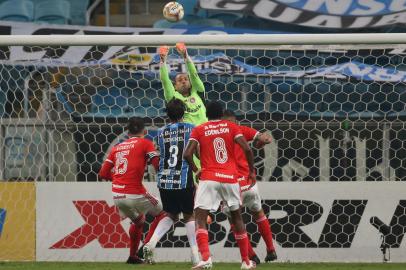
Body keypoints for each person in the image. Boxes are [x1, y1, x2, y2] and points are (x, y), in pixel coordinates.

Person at [183, 101, 257, 270]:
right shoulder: (231, 127)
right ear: (222, 114)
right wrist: (251, 172)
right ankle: (246, 262)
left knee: (200, 217)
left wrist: (196, 170)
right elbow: (247, 149)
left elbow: (187, 153)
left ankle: (206, 259)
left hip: (208, 178)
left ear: (207, 114)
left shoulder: (200, 129)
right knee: (237, 217)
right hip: (231, 178)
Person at [98, 117, 167, 264]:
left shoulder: (117, 148)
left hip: (117, 195)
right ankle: (146, 247)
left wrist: (117, 179)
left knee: (138, 221)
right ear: (145, 131)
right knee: (164, 213)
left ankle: (133, 257)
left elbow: (102, 174)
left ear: (128, 132)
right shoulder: (146, 143)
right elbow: (156, 164)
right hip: (135, 192)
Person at [142, 99, 200, 265]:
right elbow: (195, 152)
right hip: (183, 179)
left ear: (167, 114)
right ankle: (196, 256)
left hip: (165, 179)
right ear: (184, 112)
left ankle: (151, 243)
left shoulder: (160, 132)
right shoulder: (191, 128)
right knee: (190, 216)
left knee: (171, 214)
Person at [222, 110, 277, 264]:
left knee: (235, 221)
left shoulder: (217, 136)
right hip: (249, 183)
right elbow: (263, 138)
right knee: (259, 213)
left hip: (231, 184)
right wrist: (261, 141)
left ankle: (251, 256)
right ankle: (271, 249)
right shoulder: (241, 130)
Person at [159, 42, 207, 126]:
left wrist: (185, 55)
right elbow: (165, 81)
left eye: (186, 79)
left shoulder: (198, 92)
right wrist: (163, 60)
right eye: (180, 80)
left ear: (191, 82)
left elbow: (193, 74)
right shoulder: (173, 97)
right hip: (188, 134)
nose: (184, 81)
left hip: (204, 131)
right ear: (175, 87)